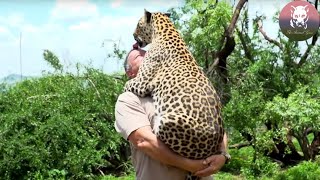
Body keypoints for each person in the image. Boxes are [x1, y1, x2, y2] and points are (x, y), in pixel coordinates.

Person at [114, 46, 230, 180]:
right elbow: (143, 140)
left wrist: (222, 154)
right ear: (130, 73)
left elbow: (213, 123)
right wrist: (190, 165)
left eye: (149, 53)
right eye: (139, 56)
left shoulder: (183, 90)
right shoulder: (128, 99)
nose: (148, 56)